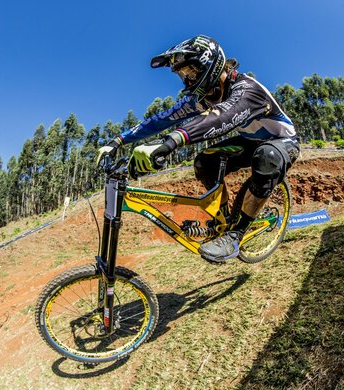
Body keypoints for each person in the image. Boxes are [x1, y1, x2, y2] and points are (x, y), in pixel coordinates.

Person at [96, 34, 299, 263]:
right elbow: (160, 120)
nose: (187, 80)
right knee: (205, 161)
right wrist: (118, 141)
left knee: (268, 157)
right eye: (183, 75)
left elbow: (221, 117)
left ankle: (234, 235)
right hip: (249, 142)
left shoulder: (247, 89)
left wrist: (171, 142)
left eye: (191, 72)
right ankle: (221, 220)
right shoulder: (203, 97)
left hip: (283, 141)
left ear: (209, 64)